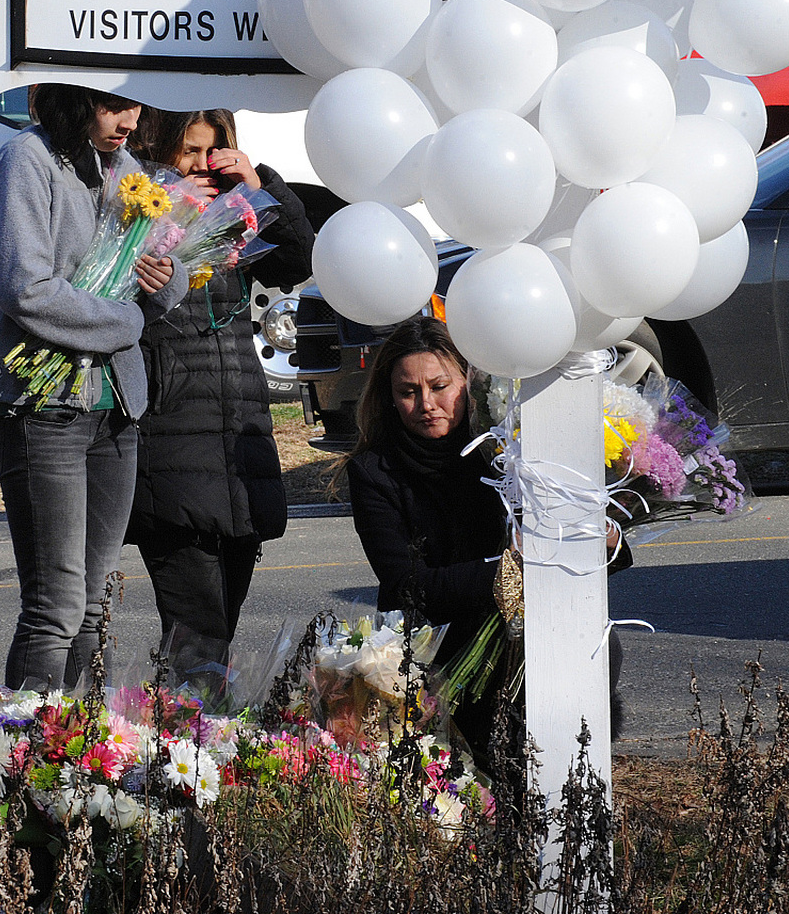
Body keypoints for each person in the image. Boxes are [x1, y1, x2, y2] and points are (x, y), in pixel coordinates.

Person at [0, 84, 189, 691]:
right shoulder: (26, 160)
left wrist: (167, 276)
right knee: (54, 607)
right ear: (73, 101)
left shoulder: (127, 170)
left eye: (136, 106)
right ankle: (26, 741)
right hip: (40, 405)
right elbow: (24, 287)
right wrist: (125, 321)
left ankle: (85, 741)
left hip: (114, 408)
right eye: (113, 105)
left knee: (93, 604)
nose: (128, 120)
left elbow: (168, 278)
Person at [336, 317, 629, 761]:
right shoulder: (374, 471)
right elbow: (405, 583)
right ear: (389, 397)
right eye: (408, 392)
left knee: (598, 647)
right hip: (439, 643)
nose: (426, 404)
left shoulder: (506, 449)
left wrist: (601, 536)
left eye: (440, 387)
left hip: (527, 626)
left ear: (467, 383)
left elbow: (578, 554)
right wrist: (507, 569)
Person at [129, 108, 315, 683]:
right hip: (173, 439)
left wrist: (259, 187)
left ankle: (192, 724)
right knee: (196, 630)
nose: (201, 167)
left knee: (220, 629)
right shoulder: (139, 218)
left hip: (239, 441)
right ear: (159, 147)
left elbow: (298, 260)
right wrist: (169, 213)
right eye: (188, 151)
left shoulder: (234, 218)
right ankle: (189, 731)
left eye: (212, 152)